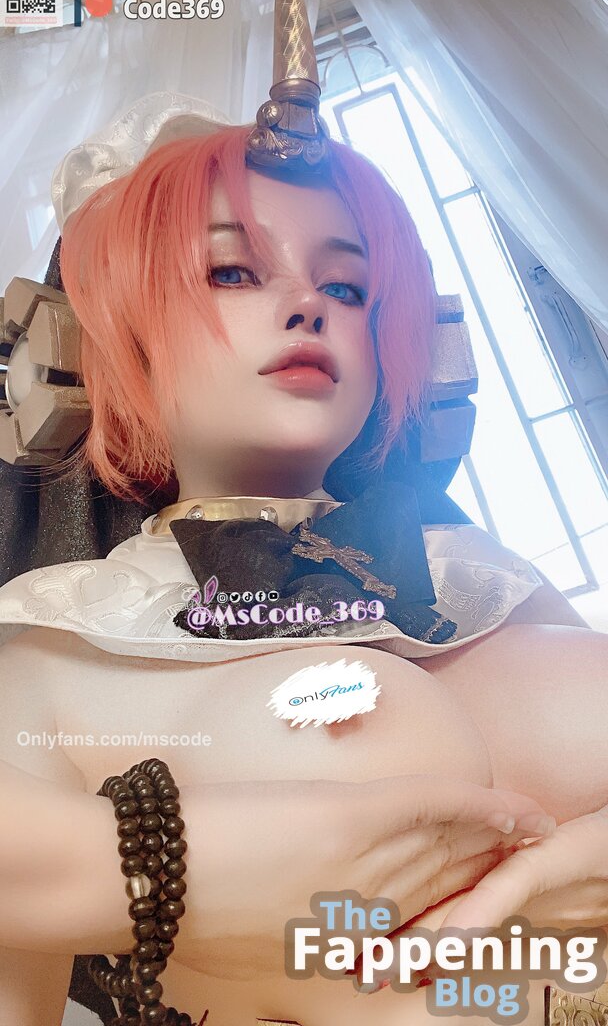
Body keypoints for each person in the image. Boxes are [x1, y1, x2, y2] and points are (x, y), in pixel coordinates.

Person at [0, 101, 608, 1026]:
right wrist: (160, 869)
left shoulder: (487, 579)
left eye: (349, 288)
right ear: (120, 337)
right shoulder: (52, 645)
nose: (307, 303)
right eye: (232, 270)